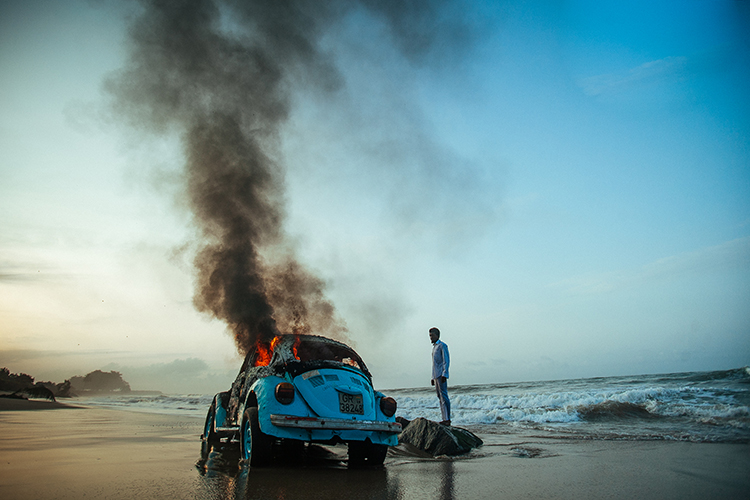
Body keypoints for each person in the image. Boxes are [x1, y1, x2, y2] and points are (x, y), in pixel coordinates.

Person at [429, 327, 451, 426]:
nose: (430, 338)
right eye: (430, 336)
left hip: (441, 374)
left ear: (437, 335)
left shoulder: (442, 345)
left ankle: (447, 418)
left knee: (444, 395)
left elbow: (446, 361)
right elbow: (434, 364)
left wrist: (445, 374)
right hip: (436, 374)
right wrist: (432, 377)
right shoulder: (434, 347)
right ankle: (444, 417)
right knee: (439, 396)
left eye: (432, 336)